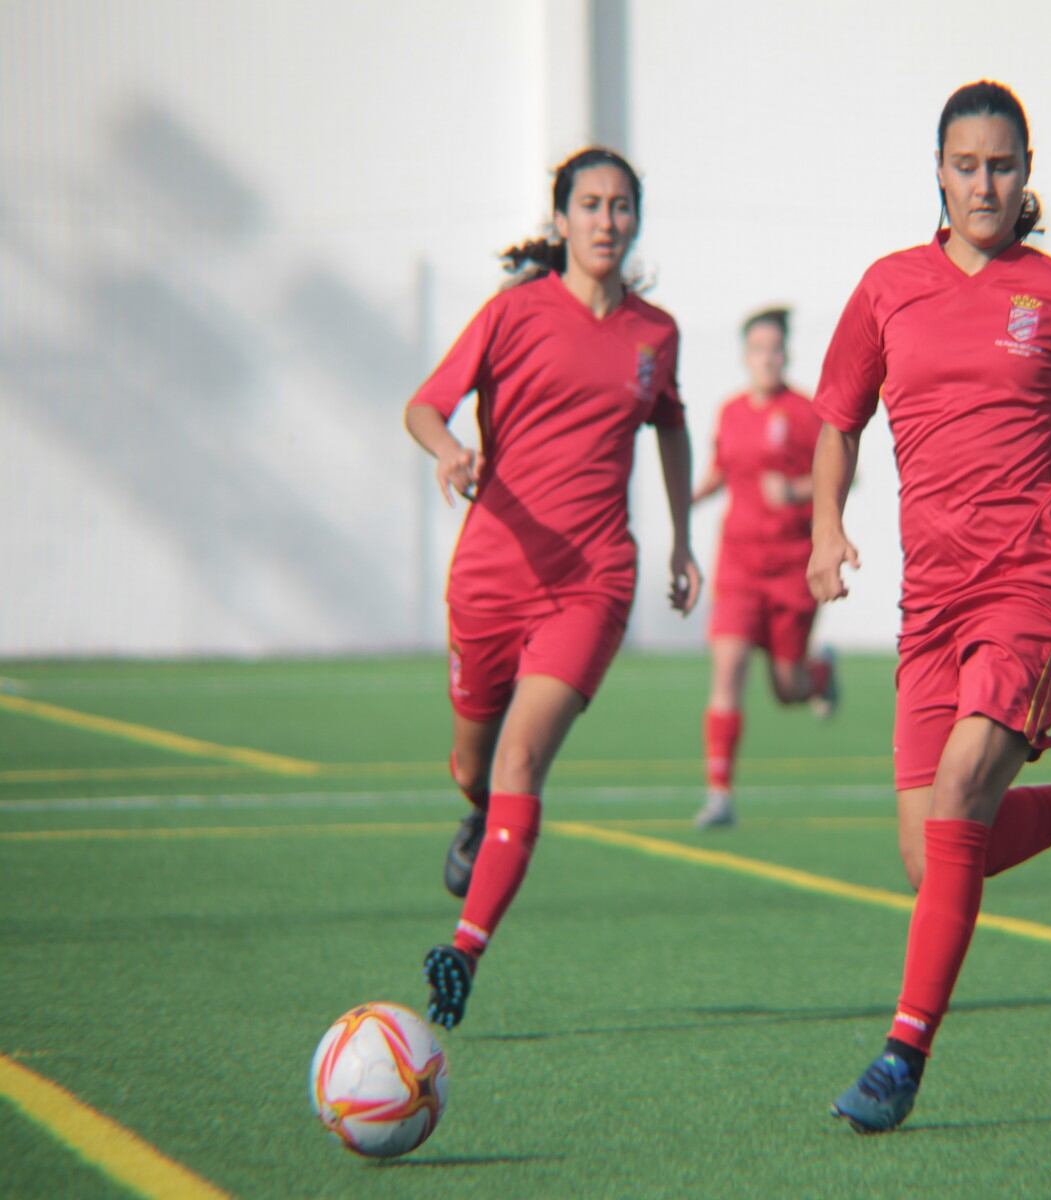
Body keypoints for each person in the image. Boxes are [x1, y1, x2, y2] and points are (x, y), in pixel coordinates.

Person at [809, 81, 1051, 1134]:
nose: (983, 183)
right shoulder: (886, 288)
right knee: (930, 850)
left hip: (1032, 584)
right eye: (964, 165)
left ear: (1025, 171)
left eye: (1001, 164)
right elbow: (839, 418)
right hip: (930, 602)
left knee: (953, 810)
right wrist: (825, 528)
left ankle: (902, 1052)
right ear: (937, 175)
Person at [404, 147, 701, 1029]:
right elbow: (425, 404)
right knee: (474, 767)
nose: (606, 221)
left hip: (593, 580)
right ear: (561, 218)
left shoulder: (656, 334)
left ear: (634, 221)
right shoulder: (512, 314)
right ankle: (477, 813)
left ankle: (463, 951)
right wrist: (452, 453)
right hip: (492, 576)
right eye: (591, 205)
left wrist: (684, 540)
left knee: (523, 760)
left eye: (620, 207)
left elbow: (672, 429)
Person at [690, 307, 838, 830]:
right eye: (758, 349)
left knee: (786, 688)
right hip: (738, 566)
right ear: (745, 356)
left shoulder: (806, 410)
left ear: (786, 354)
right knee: (727, 670)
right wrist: (689, 496)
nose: (767, 358)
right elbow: (719, 470)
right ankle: (719, 794)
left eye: (775, 349)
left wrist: (796, 490)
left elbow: (844, 476)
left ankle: (819, 675)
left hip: (791, 569)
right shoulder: (730, 412)